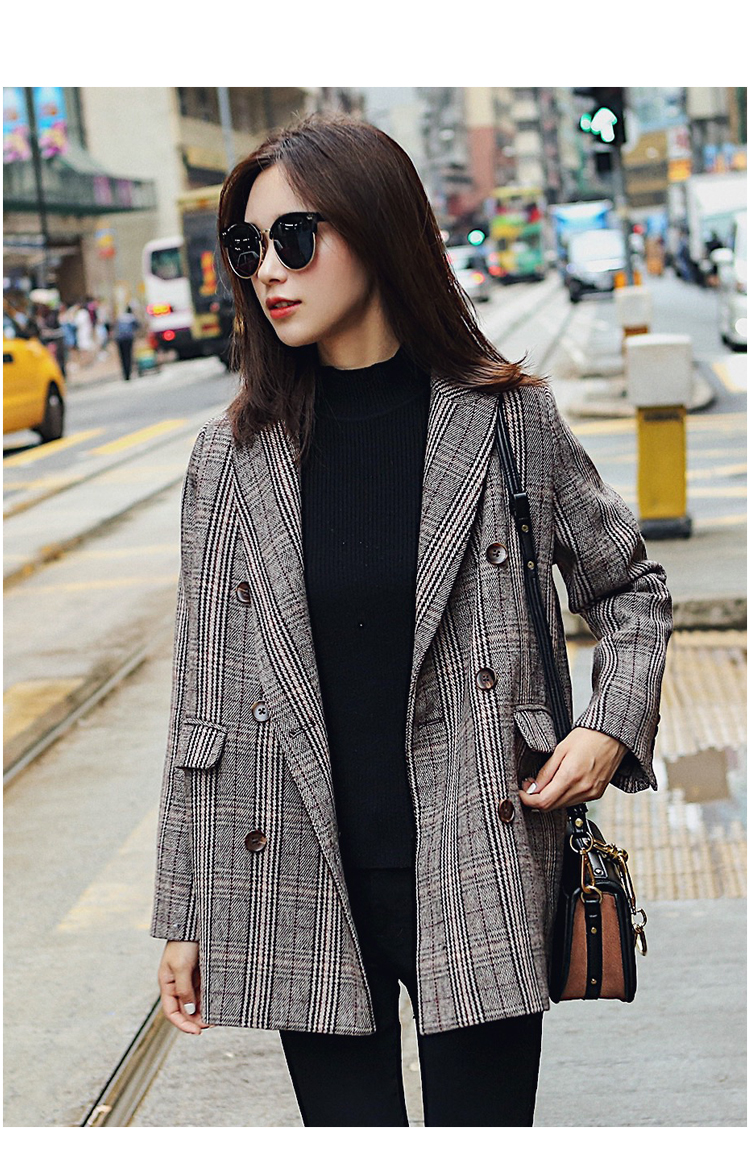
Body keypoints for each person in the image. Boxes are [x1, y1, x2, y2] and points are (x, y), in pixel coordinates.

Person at [150, 113, 673, 1128]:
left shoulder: (507, 419)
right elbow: (199, 696)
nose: (269, 270)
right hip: (295, 873)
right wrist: (184, 910)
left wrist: (610, 726)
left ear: (378, 229)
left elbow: (630, 589)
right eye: (248, 246)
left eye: (295, 237)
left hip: (480, 859)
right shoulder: (230, 456)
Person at [114, 303, 139, 381]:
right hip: (128, 339)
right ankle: (128, 374)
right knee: (128, 356)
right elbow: (138, 326)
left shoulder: (120, 317)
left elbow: (116, 327)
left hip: (119, 339)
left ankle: (125, 374)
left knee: (122, 357)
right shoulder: (131, 317)